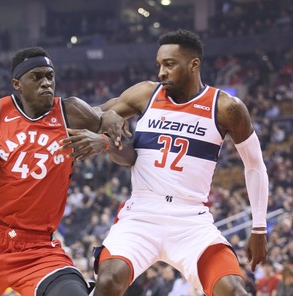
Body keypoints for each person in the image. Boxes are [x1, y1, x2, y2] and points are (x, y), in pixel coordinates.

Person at [62, 29, 269, 296]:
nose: (161, 72)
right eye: (159, 65)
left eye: (169, 65)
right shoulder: (146, 94)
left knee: (234, 290)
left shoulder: (226, 107)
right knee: (108, 281)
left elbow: (255, 166)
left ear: (194, 64)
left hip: (191, 219)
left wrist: (259, 227)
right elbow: (87, 115)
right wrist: (105, 119)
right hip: (142, 213)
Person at [0, 47, 136, 296]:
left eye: (50, 76)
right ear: (17, 83)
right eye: (36, 77)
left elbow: (126, 152)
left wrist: (105, 136)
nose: (46, 83)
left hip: (36, 249)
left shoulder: (70, 113)